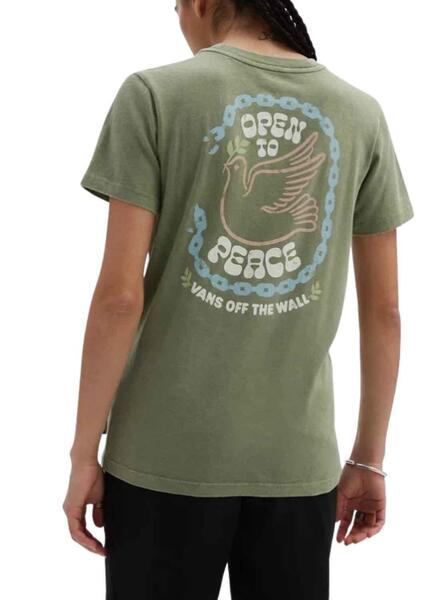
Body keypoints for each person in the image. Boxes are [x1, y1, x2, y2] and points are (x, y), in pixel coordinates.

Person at [63, 1, 414, 598]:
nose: (180, 19)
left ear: (202, 2)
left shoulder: (154, 94)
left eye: (177, 7)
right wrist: (368, 459)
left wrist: (82, 455)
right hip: (297, 464)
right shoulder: (360, 112)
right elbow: (384, 312)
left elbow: (119, 298)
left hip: (160, 457)